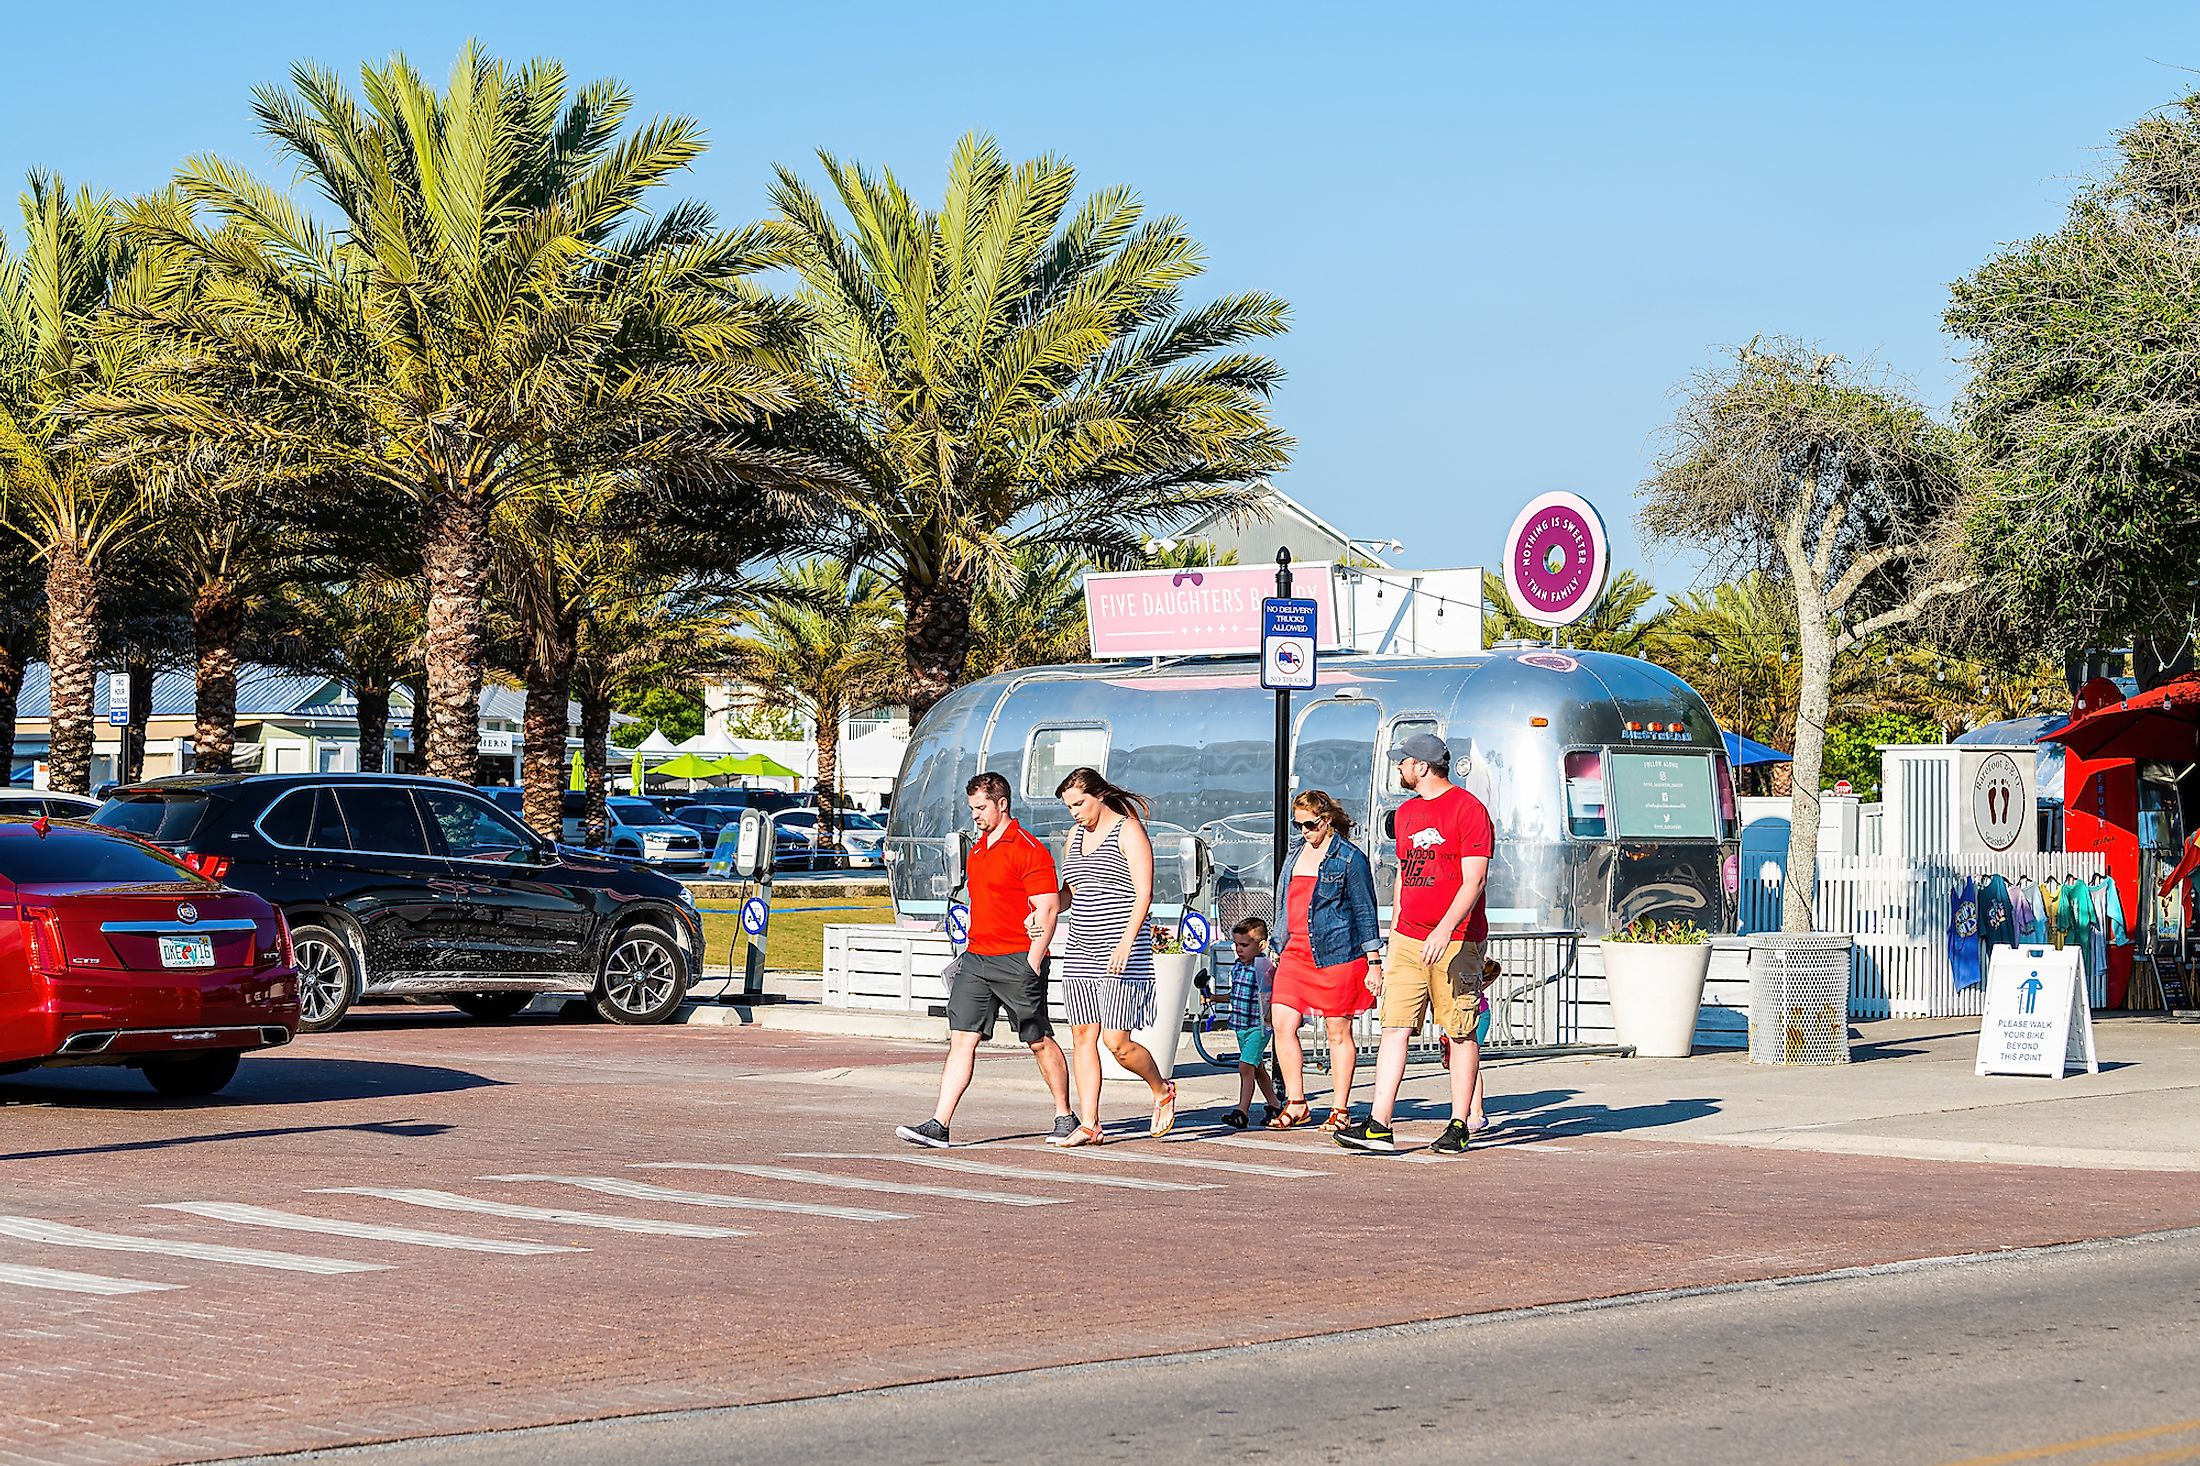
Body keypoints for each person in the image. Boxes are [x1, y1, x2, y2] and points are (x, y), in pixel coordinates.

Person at [896, 772, 1075, 1149]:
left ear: (1002, 804)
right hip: (977, 959)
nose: (975, 815)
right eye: (972, 808)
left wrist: (1032, 961)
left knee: (1037, 1039)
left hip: (1016, 960)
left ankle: (1065, 1115)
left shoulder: (1028, 849)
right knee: (962, 1039)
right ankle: (939, 1124)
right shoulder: (979, 848)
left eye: (981, 808)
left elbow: (1048, 908)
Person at [1337, 732, 1492, 1157]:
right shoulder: (1405, 814)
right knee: (1395, 1025)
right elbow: (1406, 874)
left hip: (1457, 939)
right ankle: (1378, 1123)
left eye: (1403, 762)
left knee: (1459, 1029)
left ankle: (1459, 1122)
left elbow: (1474, 879)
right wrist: (1394, 930)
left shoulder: (1468, 809)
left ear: (1422, 766)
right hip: (1408, 937)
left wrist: (1444, 929)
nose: (1399, 768)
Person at [1048, 767, 1175, 1146]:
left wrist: (1126, 941)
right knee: (1083, 1036)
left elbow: (1144, 894)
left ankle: (1161, 1088)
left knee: (1117, 1043)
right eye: (1069, 806)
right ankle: (1090, 1123)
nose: (1074, 812)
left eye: (1079, 803)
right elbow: (1071, 892)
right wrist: (1045, 908)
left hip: (1121, 948)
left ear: (1099, 795)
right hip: (1081, 949)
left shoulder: (1128, 830)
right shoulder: (1074, 836)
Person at [1265, 790, 1384, 1133]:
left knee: (1337, 1031)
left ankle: (1340, 1107)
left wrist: (1373, 961)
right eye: (1298, 824)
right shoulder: (1294, 854)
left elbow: (1364, 911)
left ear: (1327, 820)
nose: (1304, 831)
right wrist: (1277, 943)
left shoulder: (1349, 858)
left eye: (1310, 824)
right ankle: (1297, 1102)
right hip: (1295, 953)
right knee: (1283, 1024)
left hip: (1337, 954)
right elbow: (1284, 902)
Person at [1221, 917, 1278, 1129]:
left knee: (1245, 1066)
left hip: (1258, 1026)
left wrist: (1272, 1016)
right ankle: (1274, 1104)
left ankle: (1241, 1112)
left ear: (1261, 945)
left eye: (1244, 945)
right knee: (1257, 1068)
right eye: (1236, 944)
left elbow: (1273, 993)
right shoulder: (1238, 966)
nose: (1239, 949)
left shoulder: (1264, 967)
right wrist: (1214, 998)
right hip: (1240, 1025)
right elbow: (1235, 994)